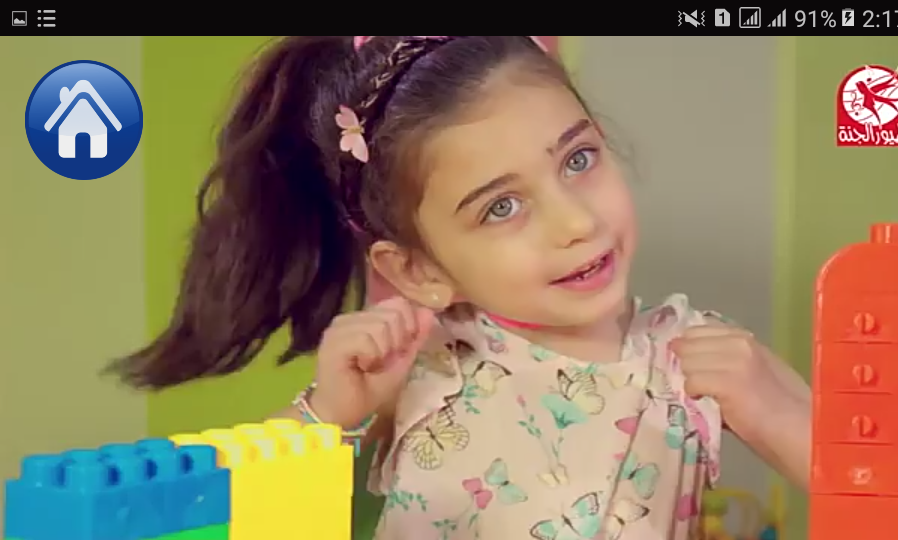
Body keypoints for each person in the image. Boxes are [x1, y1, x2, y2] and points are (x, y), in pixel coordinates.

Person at [108, 36, 811, 539]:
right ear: (420, 272)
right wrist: (328, 415)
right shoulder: (420, 366)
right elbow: (223, 515)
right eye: (501, 207)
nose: (577, 221)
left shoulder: (694, 356)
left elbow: (873, 492)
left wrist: (772, 409)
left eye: (578, 159)